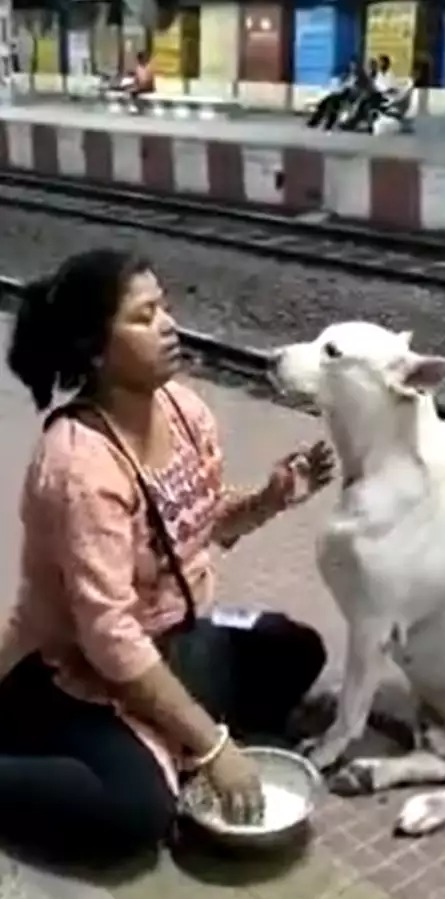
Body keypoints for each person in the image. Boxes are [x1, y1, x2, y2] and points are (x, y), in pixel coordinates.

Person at [0, 249, 333, 863]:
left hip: (179, 638)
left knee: (298, 650)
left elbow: (198, 522)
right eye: (143, 315)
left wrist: (270, 499)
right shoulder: (81, 466)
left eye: (165, 307)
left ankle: (165, 735)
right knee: (137, 816)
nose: (168, 325)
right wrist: (210, 749)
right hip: (78, 670)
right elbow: (110, 637)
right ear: (95, 351)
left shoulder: (185, 410)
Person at [306, 58, 369, 130]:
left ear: (358, 66)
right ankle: (314, 121)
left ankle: (329, 124)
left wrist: (352, 88)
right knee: (325, 102)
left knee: (334, 103)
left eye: (354, 65)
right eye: (351, 65)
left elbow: (361, 88)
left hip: (350, 95)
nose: (352, 67)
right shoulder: (348, 74)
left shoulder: (361, 77)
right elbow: (342, 84)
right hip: (342, 92)